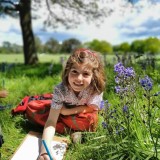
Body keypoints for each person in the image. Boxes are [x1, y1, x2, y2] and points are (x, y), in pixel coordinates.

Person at [38, 48, 106, 160]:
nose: (79, 79)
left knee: (90, 120)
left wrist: (67, 111)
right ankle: (74, 132)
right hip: (65, 112)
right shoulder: (60, 90)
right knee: (42, 114)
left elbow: (93, 109)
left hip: (80, 113)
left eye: (85, 74)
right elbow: (51, 121)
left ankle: (76, 133)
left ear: (93, 76)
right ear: (67, 71)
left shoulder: (95, 89)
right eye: (74, 71)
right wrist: (43, 151)